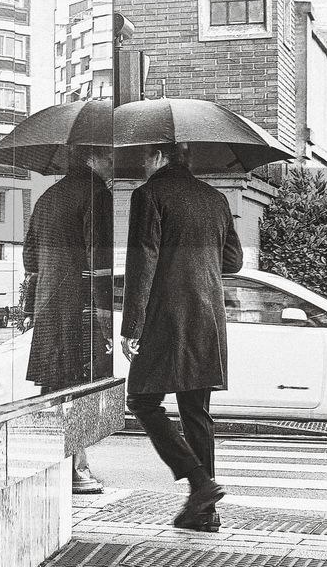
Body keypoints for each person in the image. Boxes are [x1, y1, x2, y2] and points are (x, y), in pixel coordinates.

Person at [121, 143, 244, 532]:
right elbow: (234, 260)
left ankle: (200, 482)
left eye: (145, 157)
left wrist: (131, 327)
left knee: (142, 400)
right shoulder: (215, 199)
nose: (142, 164)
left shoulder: (149, 194)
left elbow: (143, 261)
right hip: (207, 316)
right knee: (196, 412)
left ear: (159, 156)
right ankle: (203, 513)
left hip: (165, 317)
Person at [22, 145, 114, 495]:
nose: (112, 165)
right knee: (81, 388)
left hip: (49, 303)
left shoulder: (47, 197)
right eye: (108, 158)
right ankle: (77, 469)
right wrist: (105, 310)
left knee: (55, 388)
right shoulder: (97, 193)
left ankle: (56, 467)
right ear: (93, 158)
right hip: (81, 303)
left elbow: (30, 257)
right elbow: (99, 256)